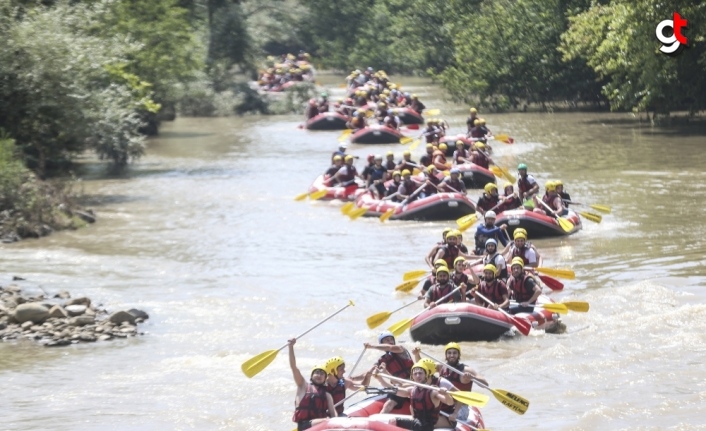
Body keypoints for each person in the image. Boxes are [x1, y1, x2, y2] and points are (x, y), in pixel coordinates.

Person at [375, 360, 454, 431]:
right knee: (393, 421)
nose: (418, 376)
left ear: (426, 375)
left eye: (420, 373)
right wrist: (380, 379)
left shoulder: (433, 391)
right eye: (415, 374)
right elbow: (393, 389)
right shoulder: (412, 390)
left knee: (418, 426)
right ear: (412, 377)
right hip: (416, 422)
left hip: (426, 426)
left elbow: (450, 402)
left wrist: (446, 394)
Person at [289, 338, 336, 430]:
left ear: (325, 379)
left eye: (322, 373)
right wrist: (291, 347)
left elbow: (333, 414)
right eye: (317, 372)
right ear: (311, 376)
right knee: (326, 420)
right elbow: (293, 367)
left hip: (321, 426)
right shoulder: (302, 386)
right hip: (304, 425)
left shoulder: (327, 395)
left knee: (329, 420)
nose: (319, 375)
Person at [437, 342, 487, 425]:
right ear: (446, 355)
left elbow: (485, 384)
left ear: (459, 355)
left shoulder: (466, 370)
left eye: (454, 353)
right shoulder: (441, 367)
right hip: (446, 404)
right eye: (449, 353)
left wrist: (473, 378)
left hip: (461, 406)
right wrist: (416, 354)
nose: (452, 355)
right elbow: (424, 369)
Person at [365, 331, 414, 414]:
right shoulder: (382, 360)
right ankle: (379, 421)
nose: (390, 341)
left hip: (412, 383)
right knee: (388, 404)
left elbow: (390, 348)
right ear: (381, 344)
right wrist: (353, 378)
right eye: (387, 340)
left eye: (391, 339)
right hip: (399, 386)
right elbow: (368, 372)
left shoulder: (401, 349)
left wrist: (371, 346)